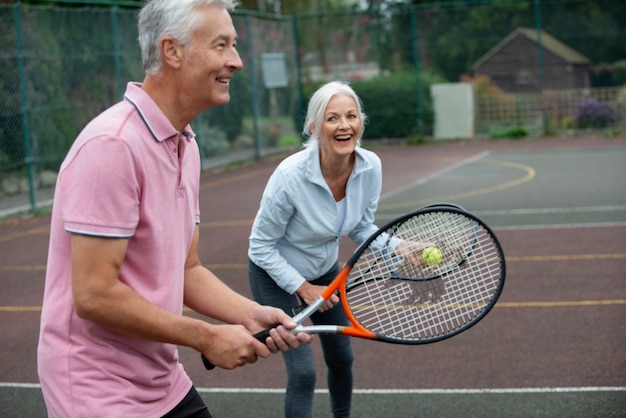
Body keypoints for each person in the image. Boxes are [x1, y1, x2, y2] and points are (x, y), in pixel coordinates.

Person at [37, 1, 312, 417]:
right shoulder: (112, 146)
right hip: (98, 389)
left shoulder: (186, 143)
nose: (235, 61)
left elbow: (186, 269)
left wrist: (251, 313)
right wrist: (206, 337)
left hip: (160, 378)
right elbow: (94, 295)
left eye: (234, 45)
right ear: (172, 51)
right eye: (221, 45)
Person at [248, 81, 381, 418]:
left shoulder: (370, 167)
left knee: (342, 358)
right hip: (274, 277)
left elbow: (363, 227)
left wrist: (401, 248)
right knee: (304, 373)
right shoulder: (290, 176)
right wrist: (304, 289)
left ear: (361, 122)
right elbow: (261, 246)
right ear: (314, 127)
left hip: (325, 273)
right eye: (332, 118)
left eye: (351, 116)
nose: (344, 125)